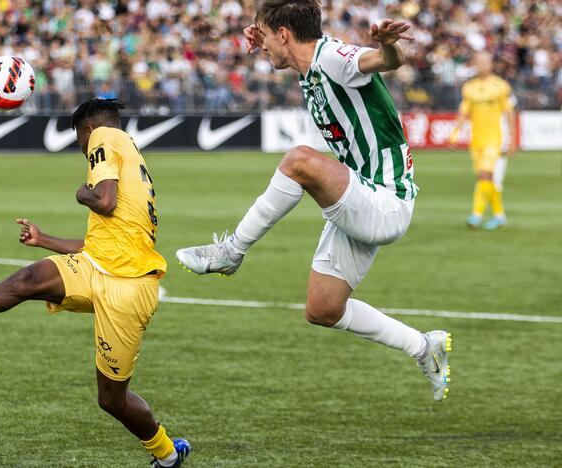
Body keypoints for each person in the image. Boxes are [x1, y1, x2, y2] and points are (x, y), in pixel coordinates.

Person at [175, 0, 451, 401]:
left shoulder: (334, 57)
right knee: (323, 309)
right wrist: (262, 33)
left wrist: (390, 46)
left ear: (285, 34)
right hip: (360, 192)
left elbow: (384, 61)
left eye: (268, 37)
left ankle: (232, 252)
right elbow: (285, 44)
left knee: (299, 161)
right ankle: (425, 347)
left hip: (384, 200)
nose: (262, 46)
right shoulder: (305, 65)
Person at [0, 99, 191, 467]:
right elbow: (100, 241)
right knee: (32, 277)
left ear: (86, 130)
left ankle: (166, 453)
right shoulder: (129, 154)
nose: (81, 148)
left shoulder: (103, 138)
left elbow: (103, 201)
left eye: (78, 140)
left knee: (111, 400)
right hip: (100, 264)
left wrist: (81, 193)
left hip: (128, 285)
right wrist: (45, 240)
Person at [449, 52, 517, 230]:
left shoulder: (500, 86)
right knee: (488, 178)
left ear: (491, 64)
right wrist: (455, 133)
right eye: (478, 62)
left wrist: (512, 139)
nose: (481, 65)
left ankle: (476, 215)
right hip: (477, 140)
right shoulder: (469, 87)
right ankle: (499, 215)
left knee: (485, 174)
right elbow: (464, 112)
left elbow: (509, 113)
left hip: (495, 138)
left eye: (484, 61)